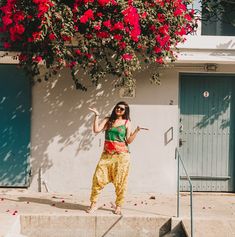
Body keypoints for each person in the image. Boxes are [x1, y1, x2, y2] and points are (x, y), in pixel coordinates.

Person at [87, 101, 140, 215]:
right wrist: (96, 115)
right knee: (98, 178)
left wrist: (136, 131)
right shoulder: (108, 120)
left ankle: (119, 206)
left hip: (122, 156)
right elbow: (96, 130)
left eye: (122, 109)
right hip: (107, 155)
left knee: (120, 182)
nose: (119, 110)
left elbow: (128, 141)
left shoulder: (126, 122)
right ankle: (93, 204)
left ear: (125, 111)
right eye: (117, 107)